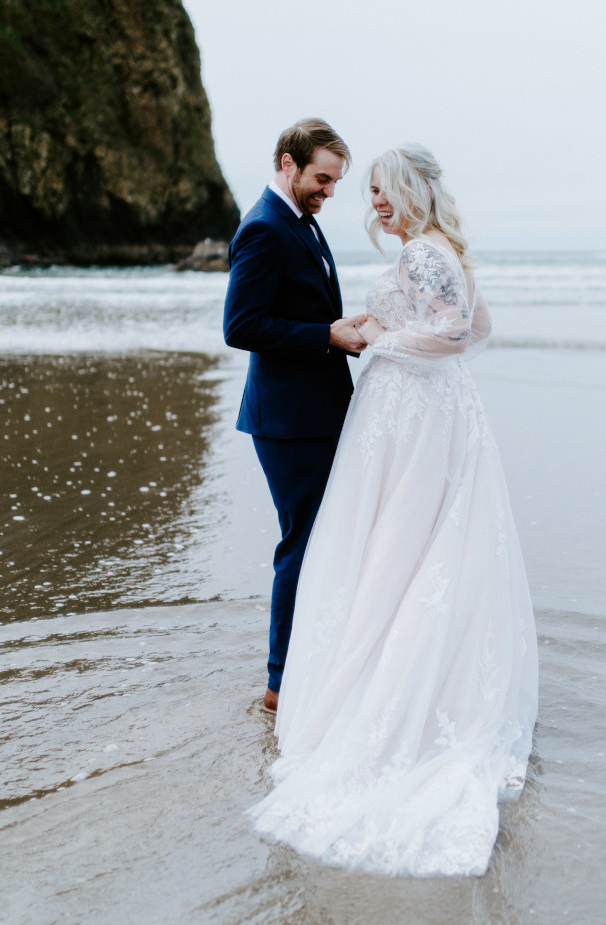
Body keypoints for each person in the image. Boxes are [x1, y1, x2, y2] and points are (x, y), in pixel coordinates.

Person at [247, 145, 539, 876]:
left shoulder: (421, 256)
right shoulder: (445, 251)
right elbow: (475, 329)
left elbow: (445, 333)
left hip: (408, 413)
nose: (372, 201)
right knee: (423, 551)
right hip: (436, 413)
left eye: (381, 189)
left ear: (411, 190)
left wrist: (380, 340)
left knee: (395, 550)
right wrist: (389, 334)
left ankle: (383, 692)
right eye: (366, 190)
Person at [223, 119, 368, 712]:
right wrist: (326, 337)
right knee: (301, 545)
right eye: (322, 179)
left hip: (317, 411)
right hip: (288, 423)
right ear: (289, 162)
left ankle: (315, 659)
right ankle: (280, 684)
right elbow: (240, 327)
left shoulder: (299, 223)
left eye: (335, 183)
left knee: (323, 541)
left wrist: (343, 330)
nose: (328, 192)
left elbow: (305, 311)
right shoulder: (263, 228)